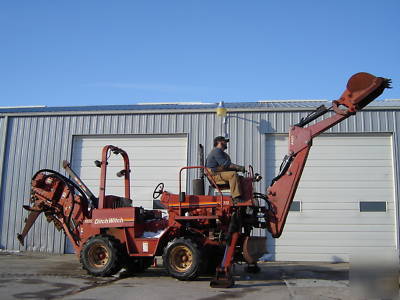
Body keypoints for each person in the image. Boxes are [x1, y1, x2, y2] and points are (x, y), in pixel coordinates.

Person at [205, 136, 246, 202]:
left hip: (218, 173)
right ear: (220, 142)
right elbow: (227, 165)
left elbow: (226, 167)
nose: (226, 143)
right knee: (232, 175)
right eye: (225, 141)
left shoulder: (222, 153)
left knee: (240, 178)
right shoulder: (216, 151)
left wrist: (238, 169)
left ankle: (243, 197)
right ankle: (236, 197)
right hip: (214, 175)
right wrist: (239, 168)